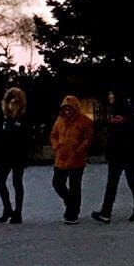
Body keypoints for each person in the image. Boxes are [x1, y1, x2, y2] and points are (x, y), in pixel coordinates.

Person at [92, 92, 134, 223]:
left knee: (132, 182)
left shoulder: (128, 112)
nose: (110, 97)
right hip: (116, 154)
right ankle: (106, 212)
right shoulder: (114, 111)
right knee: (112, 184)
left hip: (128, 153)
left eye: (112, 94)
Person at [49, 95, 94, 225]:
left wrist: (79, 150)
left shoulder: (85, 121)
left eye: (70, 109)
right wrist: (56, 146)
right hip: (61, 158)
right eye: (65, 109)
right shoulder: (60, 120)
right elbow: (53, 135)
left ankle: (72, 213)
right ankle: (71, 204)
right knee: (58, 183)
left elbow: (88, 138)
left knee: (75, 187)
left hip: (76, 159)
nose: (67, 111)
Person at [0, 88, 31, 223]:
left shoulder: (23, 119)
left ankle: (18, 212)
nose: (12, 105)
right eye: (10, 103)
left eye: (15, 103)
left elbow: (27, 138)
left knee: (17, 183)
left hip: (19, 156)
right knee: (0, 181)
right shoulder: (4, 119)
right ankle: (7, 208)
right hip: (4, 156)